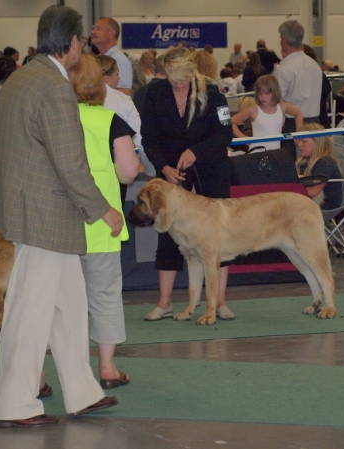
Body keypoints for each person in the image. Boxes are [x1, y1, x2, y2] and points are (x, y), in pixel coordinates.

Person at [0, 5, 120, 428]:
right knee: (30, 310)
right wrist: (103, 210)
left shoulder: (20, 79)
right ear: (74, 43)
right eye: (84, 39)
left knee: (70, 307)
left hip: (32, 210)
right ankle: (15, 404)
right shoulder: (55, 89)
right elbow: (70, 162)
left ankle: (81, 390)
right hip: (44, 214)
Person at [140, 46, 234, 321]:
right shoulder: (155, 94)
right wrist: (164, 167)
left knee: (218, 235)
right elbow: (149, 137)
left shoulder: (214, 93)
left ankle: (220, 302)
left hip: (210, 167)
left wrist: (197, 152)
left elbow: (224, 133)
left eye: (181, 77)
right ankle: (164, 302)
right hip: (170, 171)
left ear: (193, 71)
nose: (177, 82)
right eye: (171, 77)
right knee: (167, 229)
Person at [68, 53, 139, 389]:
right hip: (102, 226)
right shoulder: (112, 120)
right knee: (105, 296)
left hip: (60, 227)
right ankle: (107, 368)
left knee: (56, 302)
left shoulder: (56, 119)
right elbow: (128, 173)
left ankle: (39, 373)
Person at [97, 54, 155, 178]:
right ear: (106, 77)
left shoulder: (78, 99)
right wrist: (150, 170)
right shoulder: (123, 100)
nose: (119, 78)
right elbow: (140, 138)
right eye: (117, 74)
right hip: (118, 166)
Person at [273, 20, 323, 157]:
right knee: (312, 163)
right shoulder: (315, 66)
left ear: (284, 41)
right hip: (315, 124)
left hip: (292, 125)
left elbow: (275, 103)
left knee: (293, 166)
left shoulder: (284, 69)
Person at [231, 74, 302, 151]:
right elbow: (231, 122)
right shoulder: (253, 110)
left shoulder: (282, 107)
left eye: (267, 94)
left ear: (275, 92)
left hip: (275, 153)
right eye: (260, 94)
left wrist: (299, 133)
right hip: (256, 153)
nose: (263, 97)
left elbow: (298, 113)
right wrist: (243, 138)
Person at [295, 123, 343, 210]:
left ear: (317, 143)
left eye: (304, 141)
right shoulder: (303, 161)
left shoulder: (325, 162)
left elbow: (313, 192)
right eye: (299, 141)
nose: (299, 144)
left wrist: (290, 190)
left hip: (324, 205)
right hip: (309, 202)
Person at [91, 17, 133, 96]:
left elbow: (124, 93)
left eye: (98, 29)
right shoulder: (99, 59)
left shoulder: (119, 60)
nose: (93, 32)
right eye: (93, 28)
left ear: (111, 33)